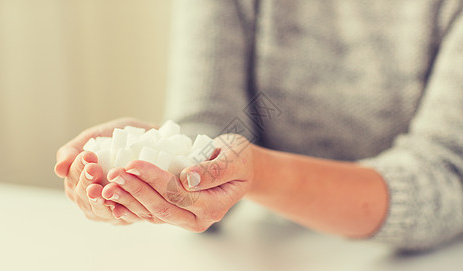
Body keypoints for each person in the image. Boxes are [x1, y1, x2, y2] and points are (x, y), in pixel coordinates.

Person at [54, 0, 463, 251]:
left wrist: (258, 175)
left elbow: (445, 179)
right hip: (261, 250)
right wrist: (172, 162)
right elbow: (211, 121)